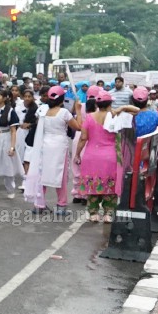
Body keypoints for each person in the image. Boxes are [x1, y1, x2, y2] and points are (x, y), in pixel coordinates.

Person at [25, 85, 83, 214]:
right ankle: (61, 205)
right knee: (61, 175)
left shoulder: (42, 111)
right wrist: (78, 110)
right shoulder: (64, 113)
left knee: (42, 174)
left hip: (44, 145)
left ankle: (39, 204)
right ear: (62, 100)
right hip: (59, 146)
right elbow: (78, 127)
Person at [74, 87, 119, 223]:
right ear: (110, 104)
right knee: (110, 185)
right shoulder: (115, 117)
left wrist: (77, 154)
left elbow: (83, 138)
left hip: (91, 155)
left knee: (92, 184)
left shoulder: (89, 117)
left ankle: (93, 213)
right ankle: (108, 214)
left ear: (96, 104)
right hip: (110, 156)